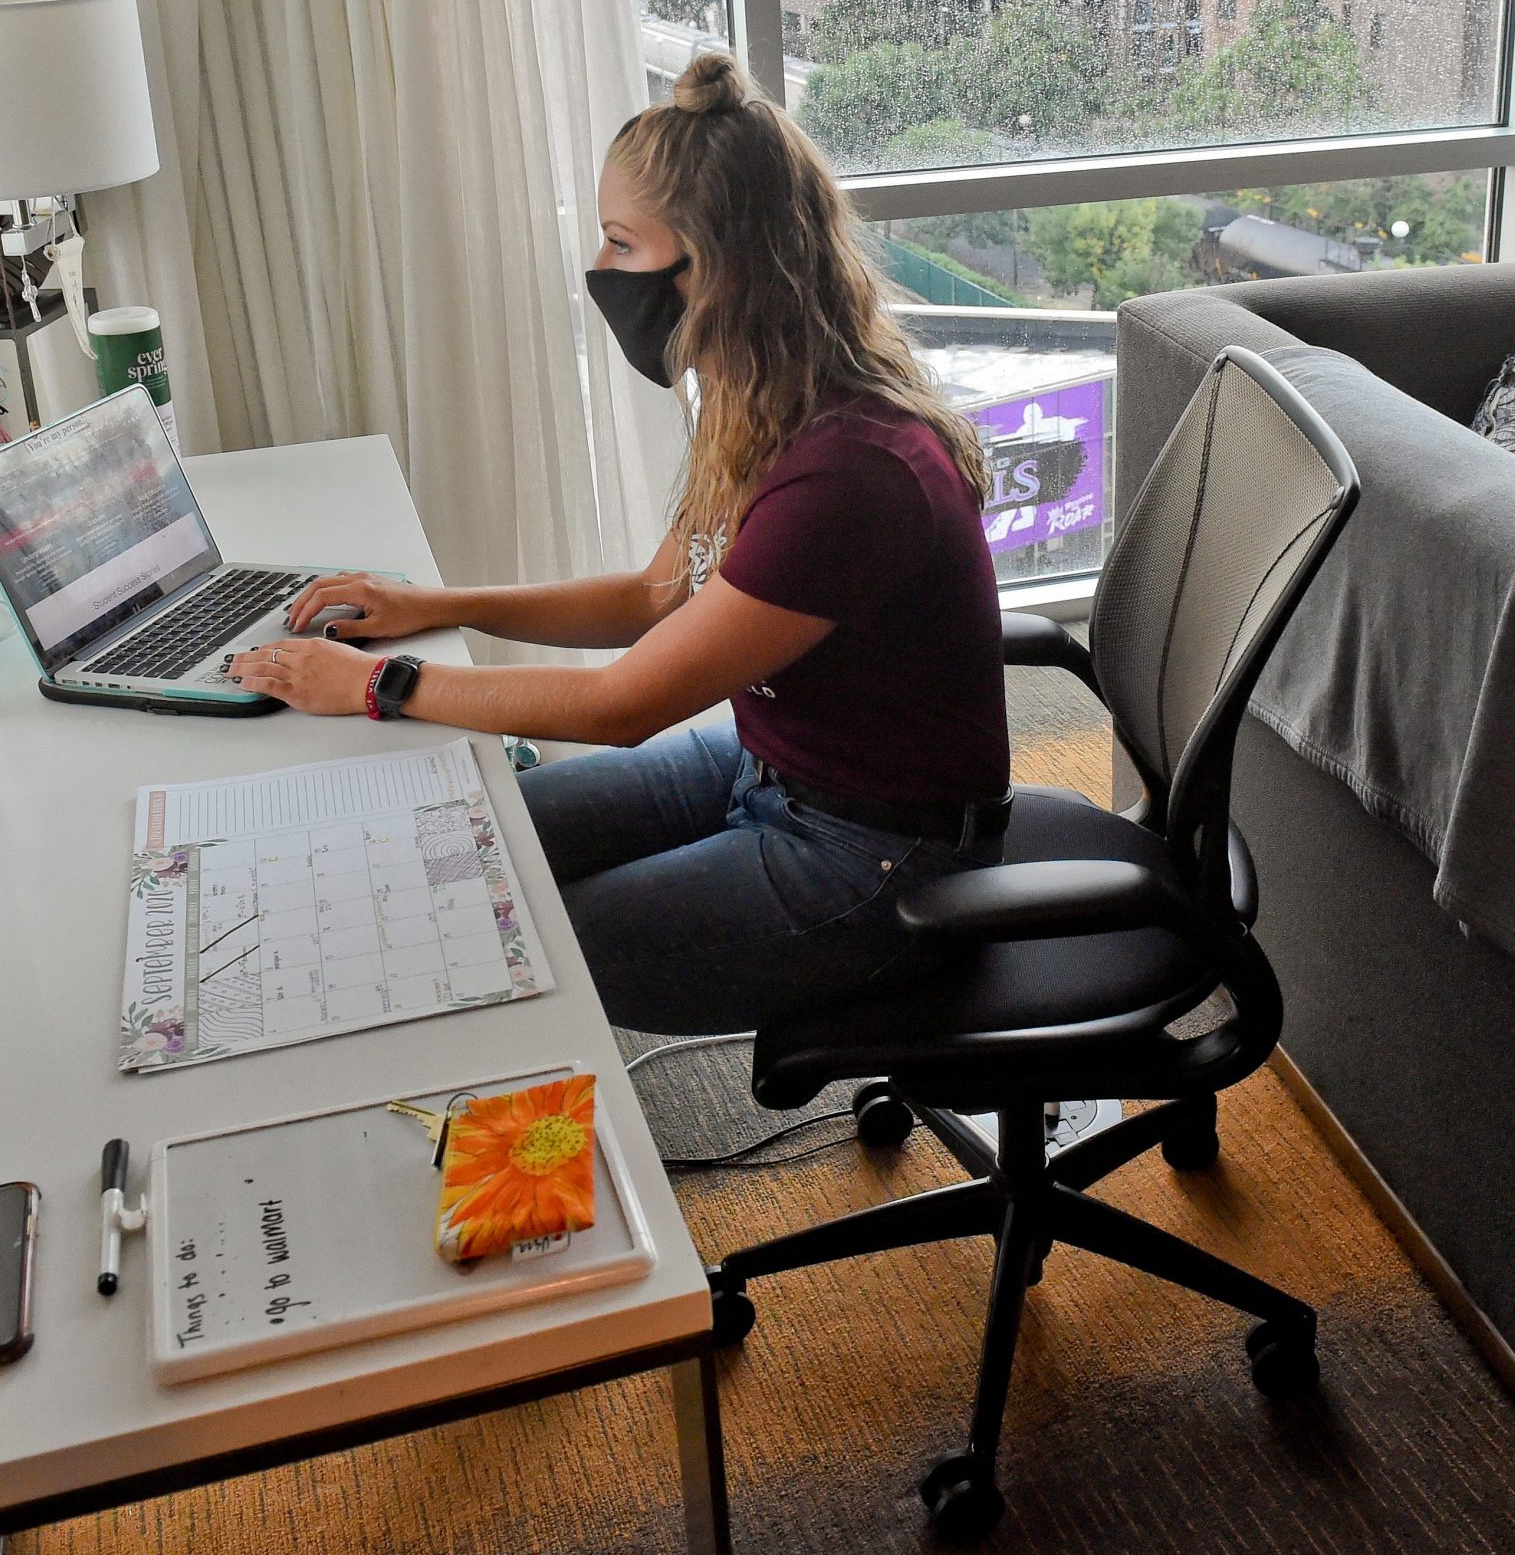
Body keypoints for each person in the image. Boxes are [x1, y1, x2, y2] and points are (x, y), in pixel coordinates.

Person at [232, 52, 1010, 1033]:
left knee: (506, 940)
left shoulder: (849, 472)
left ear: (713, 262)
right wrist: (443, 605)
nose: (601, 273)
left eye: (620, 244)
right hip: (767, 766)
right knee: (477, 846)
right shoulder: (757, 398)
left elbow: (621, 706)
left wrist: (375, 685)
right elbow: (654, 596)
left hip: (877, 857)